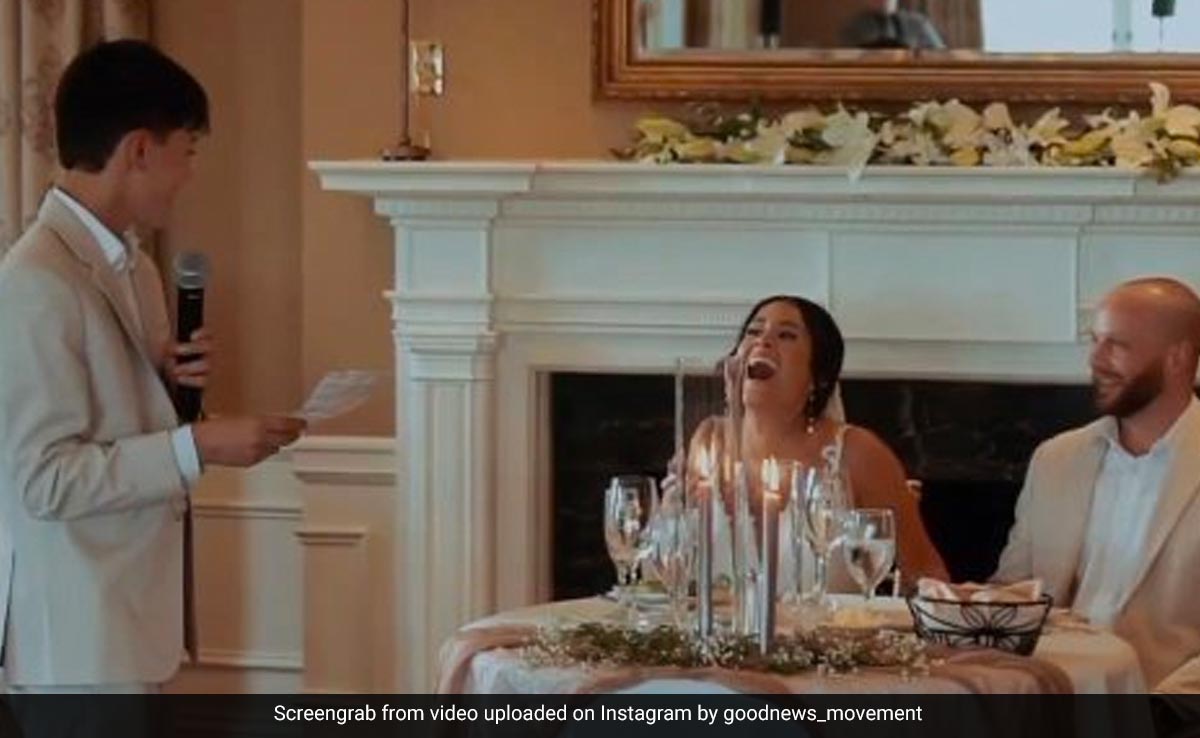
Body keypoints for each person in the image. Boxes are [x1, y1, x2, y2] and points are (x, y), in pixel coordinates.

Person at [0, 39, 305, 709]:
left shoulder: (132, 266)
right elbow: (44, 480)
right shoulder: (34, 281)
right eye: (187, 151)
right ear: (140, 149)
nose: (189, 174)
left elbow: (113, 424)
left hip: (129, 626)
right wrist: (197, 446)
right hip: (74, 647)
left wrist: (167, 387)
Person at [994, 277, 1200, 691]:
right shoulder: (1056, 458)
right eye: (1095, 341)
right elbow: (1011, 591)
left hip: (1167, 705)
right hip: (1045, 696)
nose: (1096, 360)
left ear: (1177, 358)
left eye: (1117, 345)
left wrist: (1167, 709)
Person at [676, 295, 947, 597]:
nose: (763, 341)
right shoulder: (710, 440)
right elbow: (673, 575)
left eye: (786, 335)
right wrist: (670, 515)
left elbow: (929, 578)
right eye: (753, 331)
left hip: (833, 629)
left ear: (818, 377)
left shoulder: (859, 453)